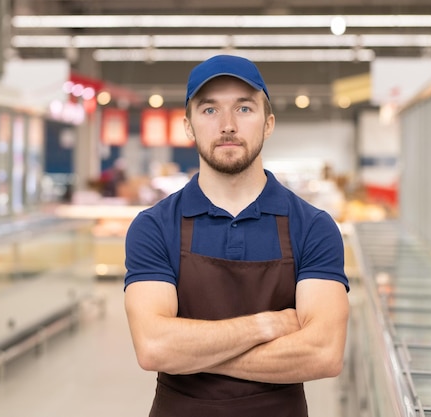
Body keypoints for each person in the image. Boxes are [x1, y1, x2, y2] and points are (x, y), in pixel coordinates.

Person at [124, 54, 350, 417]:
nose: (227, 125)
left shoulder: (313, 227)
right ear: (188, 126)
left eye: (244, 109)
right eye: (210, 110)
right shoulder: (154, 226)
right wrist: (269, 323)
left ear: (268, 123)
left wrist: (193, 352)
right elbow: (154, 347)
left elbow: (323, 353)